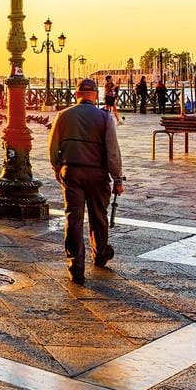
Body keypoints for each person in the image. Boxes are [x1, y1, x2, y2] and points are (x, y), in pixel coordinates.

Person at [48, 78, 124, 284]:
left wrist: (57, 167)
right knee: (99, 216)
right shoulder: (105, 117)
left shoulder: (63, 116)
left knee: (73, 218)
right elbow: (112, 153)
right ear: (97, 95)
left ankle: (76, 267)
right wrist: (117, 178)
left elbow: (53, 146)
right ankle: (100, 254)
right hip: (97, 175)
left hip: (71, 171)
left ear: (76, 94)